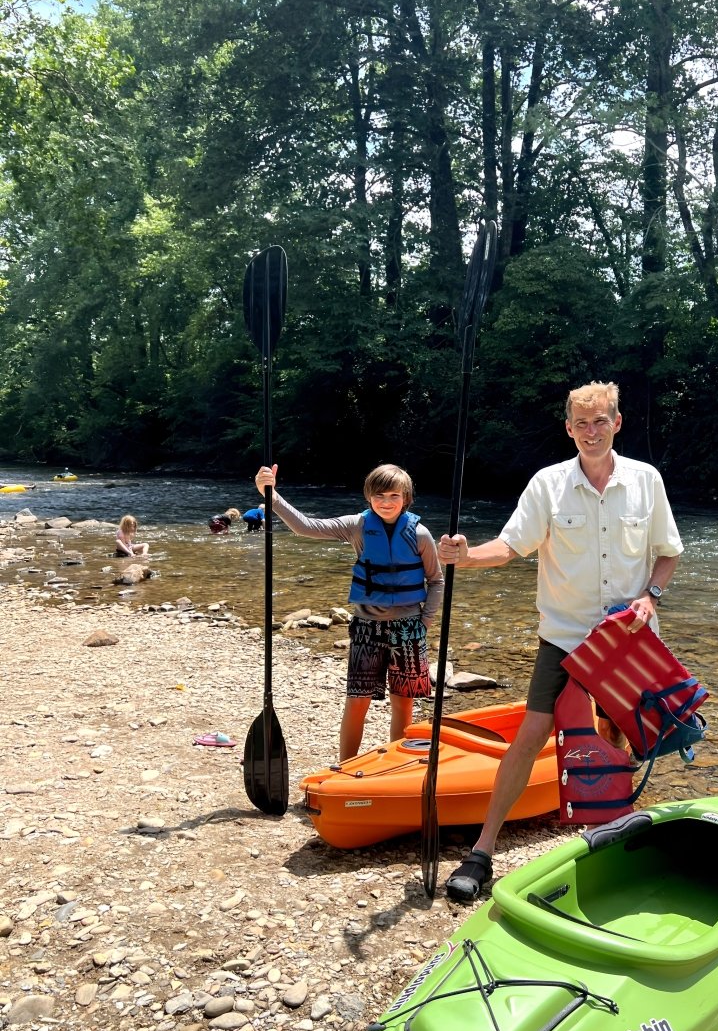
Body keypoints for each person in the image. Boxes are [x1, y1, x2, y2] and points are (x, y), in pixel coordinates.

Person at [437, 380, 683, 902]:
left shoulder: (647, 480)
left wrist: (651, 597)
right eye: (581, 424)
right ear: (569, 428)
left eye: (600, 422)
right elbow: (509, 547)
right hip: (566, 637)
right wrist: (464, 555)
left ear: (617, 423)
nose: (590, 432)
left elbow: (667, 551)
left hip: (629, 637)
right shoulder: (548, 484)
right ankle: (482, 851)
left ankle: (614, 834)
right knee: (530, 735)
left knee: (626, 731)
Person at [254, 462, 444, 760]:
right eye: (379, 496)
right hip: (366, 627)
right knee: (357, 701)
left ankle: (395, 766)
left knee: (403, 703)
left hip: (409, 628)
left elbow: (436, 580)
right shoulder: (357, 525)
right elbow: (306, 526)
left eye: (394, 496)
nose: (386, 502)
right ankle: (345, 766)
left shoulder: (420, 534)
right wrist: (272, 497)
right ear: (369, 497)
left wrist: (426, 622)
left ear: (406, 498)